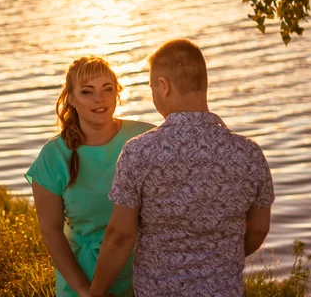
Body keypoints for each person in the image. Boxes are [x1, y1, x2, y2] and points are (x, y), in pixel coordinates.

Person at [90, 39, 275, 297]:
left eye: (153, 88)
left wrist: (95, 292)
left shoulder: (139, 152)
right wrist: (220, 257)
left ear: (163, 86)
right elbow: (258, 229)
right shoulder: (249, 154)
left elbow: (121, 236)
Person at [25, 56, 155, 297]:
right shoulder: (53, 156)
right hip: (83, 277)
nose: (100, 99)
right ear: (71, 98)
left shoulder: (145, 138)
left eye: (107, 89)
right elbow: (51, 232)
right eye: (87, 92)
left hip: (145, 275)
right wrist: (86, 292)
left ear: (117, 93)